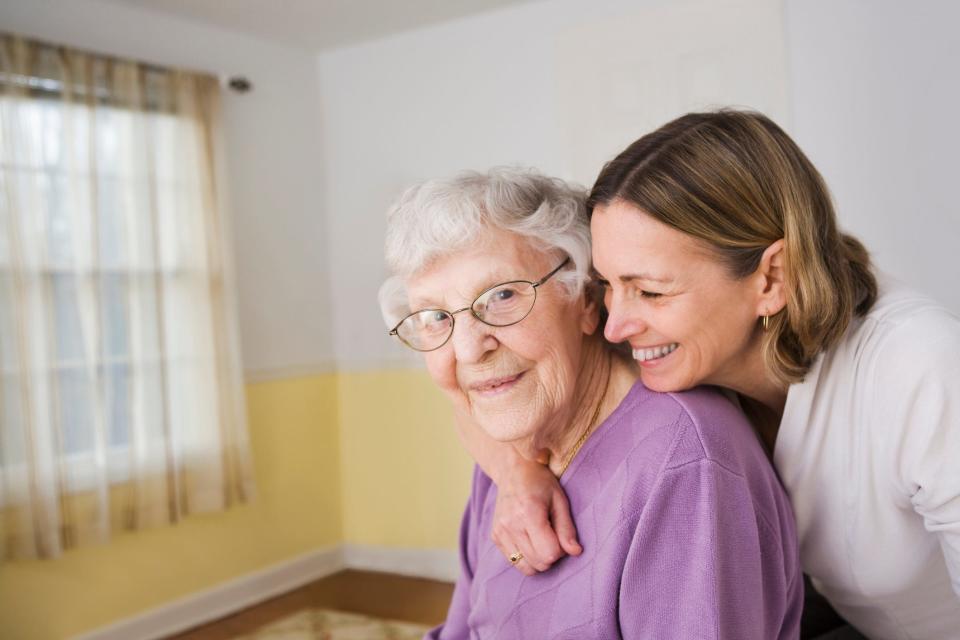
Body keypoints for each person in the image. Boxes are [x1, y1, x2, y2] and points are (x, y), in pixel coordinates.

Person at [464, 111, 960, 640]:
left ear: (772, 278)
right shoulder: (673, 345)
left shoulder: (920, 366)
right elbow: (466, 379)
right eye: (608, 284)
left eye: (650, 290)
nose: (617, 325)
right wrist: (518, 471)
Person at [378, 168, 802, 639]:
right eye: (435, 316)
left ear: (584, 298)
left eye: (501, 296)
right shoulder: (513, 444)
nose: (469, 349)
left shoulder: (685, 464)